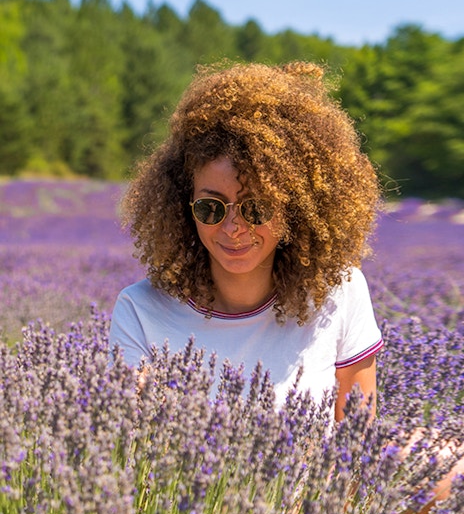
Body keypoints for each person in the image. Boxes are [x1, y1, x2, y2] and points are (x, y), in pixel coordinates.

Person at [109, 61, 383, 421]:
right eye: (211, 208)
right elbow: (130, 453)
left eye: (257, 207)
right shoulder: (140, 311)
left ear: (294, 209)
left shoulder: (339, 293)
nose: (234, 227)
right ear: (184, 206)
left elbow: (358, 448)